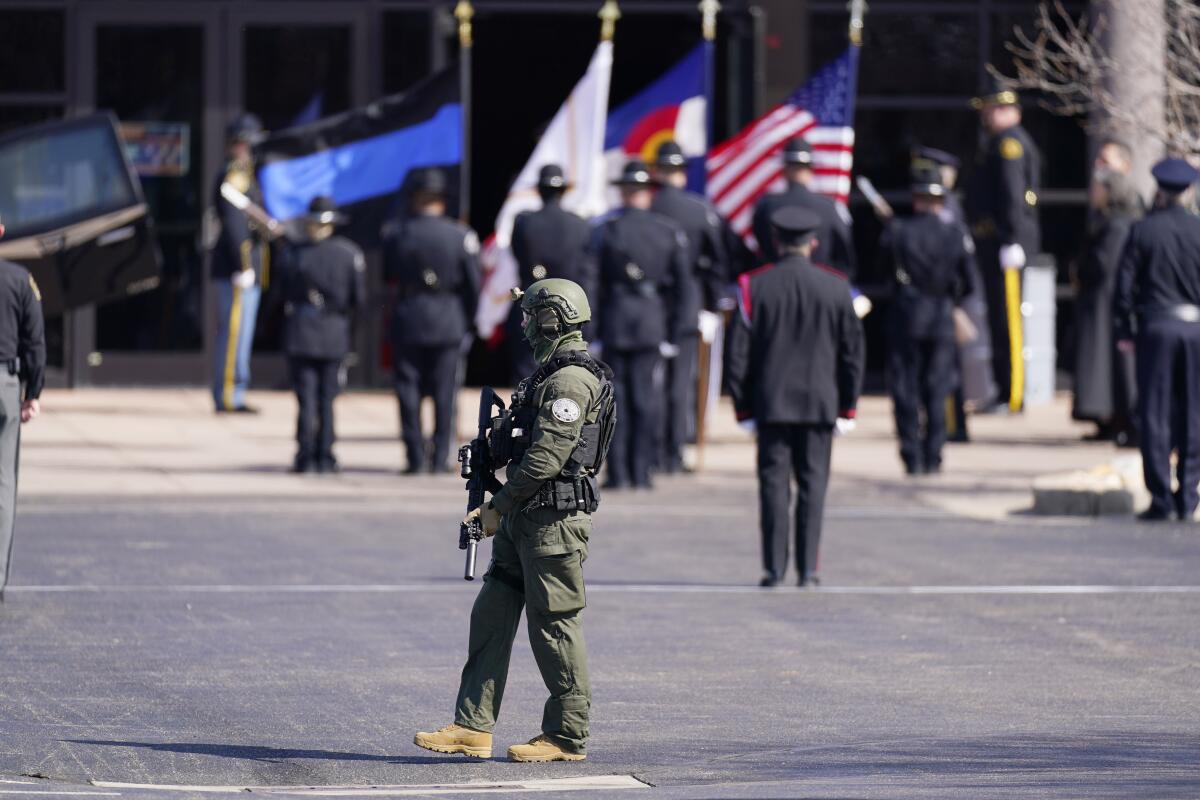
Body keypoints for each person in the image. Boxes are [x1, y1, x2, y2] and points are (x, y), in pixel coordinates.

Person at [414, 278, 615, 762]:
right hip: (524, 517)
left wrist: (495, 509)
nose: (524, 325)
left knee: (554, 626)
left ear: (552, 319)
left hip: (551, 523)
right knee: (492, 613)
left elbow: (547, 458)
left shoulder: (570, 382)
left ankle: (567, 734)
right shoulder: (547, 374)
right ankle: (471, 725)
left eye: (531, 315)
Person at [727, 207, 865, 587]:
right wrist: (848, 405)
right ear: (813, 243)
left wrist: (742, 405)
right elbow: (853, 353)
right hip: (821, 402)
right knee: (813, 487)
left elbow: (738, 353)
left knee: (773, 487)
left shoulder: (753, 286)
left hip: (771, 404)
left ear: (776, 241)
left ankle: (773, 568)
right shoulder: (837, 286)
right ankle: (809, 569)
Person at [592, 159, 692, 489]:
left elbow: (593, 284)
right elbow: (682, 287)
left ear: (623, 193)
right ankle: (643, 469)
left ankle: (619, 471)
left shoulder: (607, 230)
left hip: (618, 319)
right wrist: (675, 330)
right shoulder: (667, 231)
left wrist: (592, 330)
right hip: (651, 320)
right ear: (648, 194)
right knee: (647, 398)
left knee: (616, 399)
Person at [1113, 157, 1200, 522]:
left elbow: (1123, 289)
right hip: (1194, 329)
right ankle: (1189, 494)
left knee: (1155, 412)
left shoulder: (1143, 230)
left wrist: (1124, 331)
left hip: (1156, 328)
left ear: (1159, 191)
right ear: (1190, 191)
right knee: (1194, 412)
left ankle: (1161, 496)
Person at [383, 168, 481, 474]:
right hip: (447, 315)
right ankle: (440, 458)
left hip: (410, 315)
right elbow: (473, 284)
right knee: (444, 391)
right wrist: (465, 319)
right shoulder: (460, 235)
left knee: (408, 389)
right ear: (441, 201)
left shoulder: (396, 233)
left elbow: (388, 275)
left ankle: (414, 457)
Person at [879, 168, 975, 476]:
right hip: (941, 316)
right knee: (937, 388)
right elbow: (969, 282)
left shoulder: (899, 230)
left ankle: (911, 454)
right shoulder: (955, 234)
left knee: (906, 388)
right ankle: (934, 454)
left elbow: (884, 273)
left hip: (907, 316)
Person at [650, 140, 730, 473]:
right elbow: (717, 262)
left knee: (650, 380)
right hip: (688, 303)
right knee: (680, 381)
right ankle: (673, 450)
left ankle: (650, 450)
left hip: (652, 303)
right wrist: (711, 303)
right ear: (682, 172)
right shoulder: (699, 211)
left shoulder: (647, 210)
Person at [965, 79, 1042, 414]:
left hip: (1004, 243)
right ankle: (1003, 387)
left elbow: (1012, 197)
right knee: (998, 318)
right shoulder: (999, 142)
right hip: (994, 241)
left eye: (991, 109)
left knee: (1008, 319)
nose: (986, 116)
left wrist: (1010, 239)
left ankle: (1013, 393)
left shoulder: (1010, 145)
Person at [279, 197, 367, 474]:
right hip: (333, 331)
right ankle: (325, 454)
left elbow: (285, 292)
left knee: (307, 398)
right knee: (326, 399)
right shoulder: (348, 254)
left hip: (303, 331)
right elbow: (359, 299)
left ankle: (306, 454)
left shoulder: (294, 254)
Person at [1072, 140, 1142, 444]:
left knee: (1115, 366)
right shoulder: (1106, 220)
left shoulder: (1120, 222)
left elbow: (1105, 265)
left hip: (1108, 303)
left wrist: (1082, 271)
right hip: (1100, 304)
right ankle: (1108, 419)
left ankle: (1122, 421)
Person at [912, 145, 982, 442]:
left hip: (944, 300)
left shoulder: (948, 208)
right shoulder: (947, 205)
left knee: (946, 372)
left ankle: (951, 426)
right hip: (944, 299)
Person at [506, 164, 594, 381]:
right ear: (563, 191)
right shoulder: (580, 225)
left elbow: (518, 257)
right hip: (568, 310)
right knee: (566, 367)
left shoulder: (524, 222)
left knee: (527, 372)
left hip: (532, 306)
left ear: (539, 190)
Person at [211, 113, 271, 414]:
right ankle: (229, 394)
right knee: (235, 333)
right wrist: (243, 265)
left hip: (247, 268)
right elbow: (234, 224)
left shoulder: (246, 173)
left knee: (241, 333)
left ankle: (234, 391)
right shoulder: (235, 175)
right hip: (239, 268)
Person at [0, 217, 45, 601]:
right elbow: (34, 342)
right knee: (2, 483)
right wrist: (34, 391)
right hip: (5, 385)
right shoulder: (19, 279)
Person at [751, 137, 856, 277]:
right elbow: (845, 259)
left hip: (776, 288)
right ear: (811, 169)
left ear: (785, 169)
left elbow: (759, 253)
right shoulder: (829, 208)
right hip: (821, 290)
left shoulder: (765, 206)